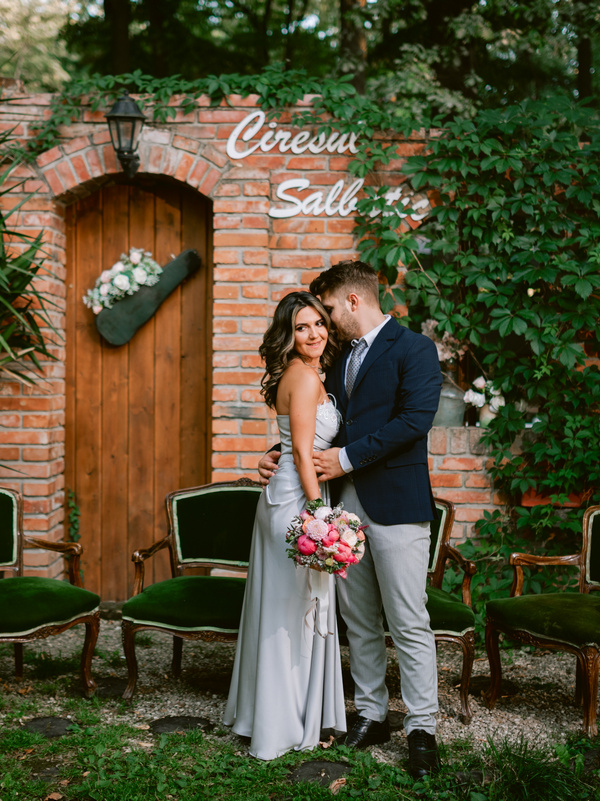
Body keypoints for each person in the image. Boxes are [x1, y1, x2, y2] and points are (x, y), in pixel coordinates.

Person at [258, 260, 443, 779]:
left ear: (353, 301)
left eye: (330, 309)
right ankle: (371, 713)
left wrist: (345, 459)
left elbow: (414, 421)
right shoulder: (336, 359)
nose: (326, 321)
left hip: (397, 505)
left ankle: (422, 728)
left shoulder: (414, 349)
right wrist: (278, 453)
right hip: (342, 507)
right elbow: (319, 423)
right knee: (358, 619)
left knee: (408, 619)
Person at [223, 291, 348, 760]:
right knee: (289, 610)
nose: (314, 334)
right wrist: (320, 516)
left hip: (294, 493)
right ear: (288, 335)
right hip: (296, 501)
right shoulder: (303, 375)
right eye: (301, 327)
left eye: (319, 324)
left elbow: (291, 443)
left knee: (294, 606)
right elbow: (299, 451)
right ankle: (282, 724)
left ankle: (285, 715)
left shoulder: (306, 373)